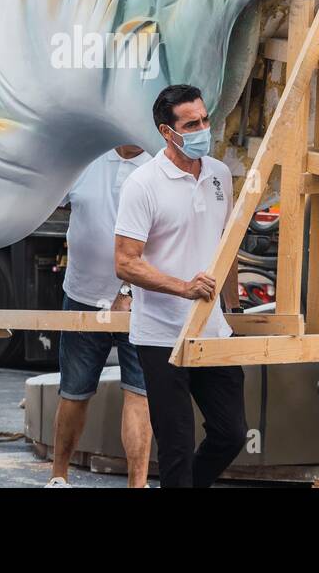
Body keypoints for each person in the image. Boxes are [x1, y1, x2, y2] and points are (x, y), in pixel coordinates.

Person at [114, 84, 246, 488]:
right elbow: (125, 262)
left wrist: (233, 309)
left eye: (205, 119)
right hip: (161, 336)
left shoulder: (220, 174)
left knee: (231, 433)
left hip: (213, 330)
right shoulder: (143, 184)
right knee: (176, 446)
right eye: (192, 124)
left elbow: (225, 249)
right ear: (166, 132)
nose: (203, 129)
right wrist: (182, 287)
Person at [47, 146, 153, 488]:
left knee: (139, 393)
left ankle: (137, 485)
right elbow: (42, 198)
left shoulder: (156, 166)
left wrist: (129, 292)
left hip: (140, 301)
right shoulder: (85, 157)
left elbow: (164, 239)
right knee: (73, 391)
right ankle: (58, 477)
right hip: (82, 296)